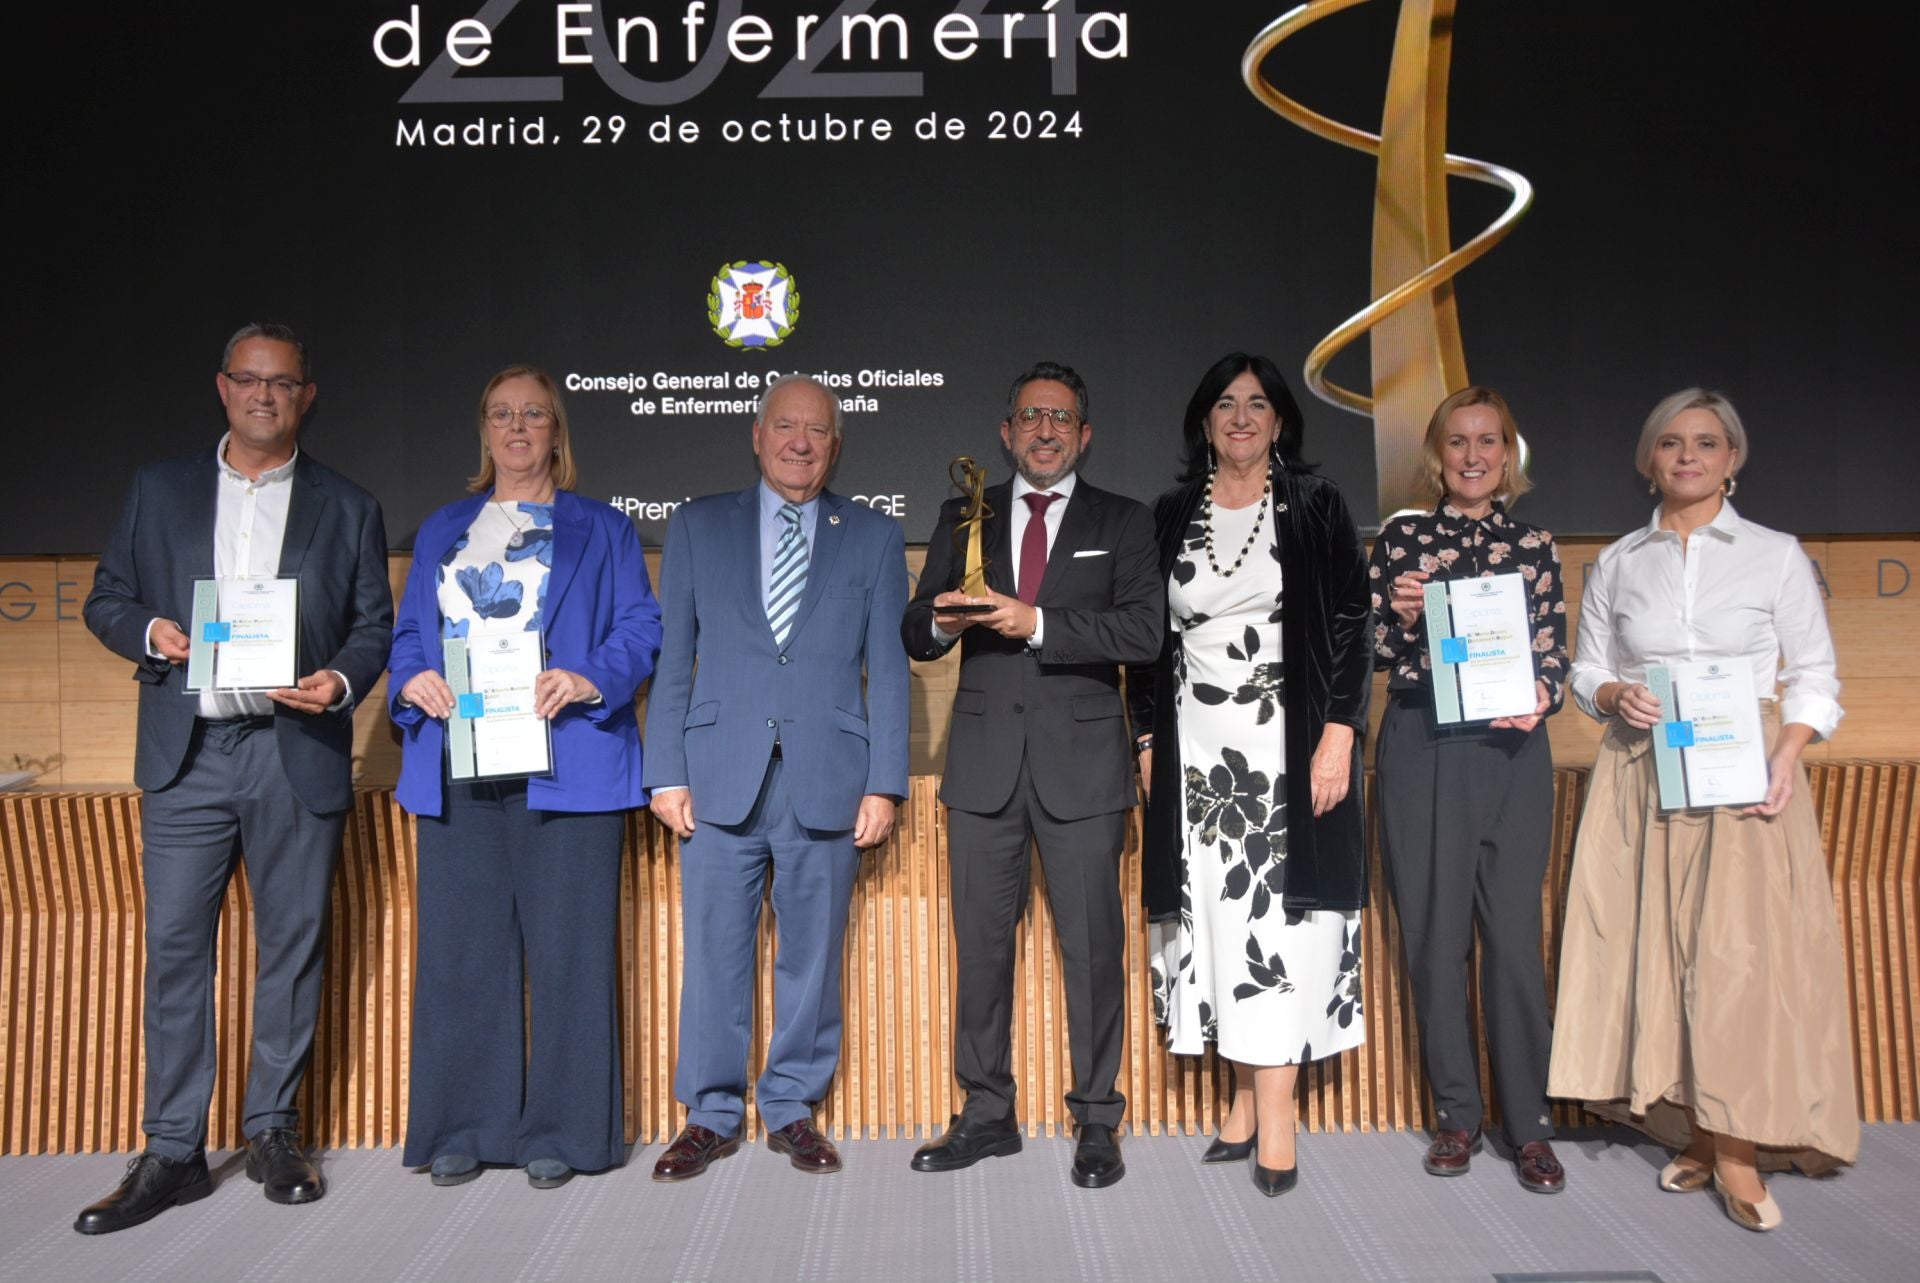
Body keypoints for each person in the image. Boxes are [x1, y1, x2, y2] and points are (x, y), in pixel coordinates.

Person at [76, 323, 392, 1233]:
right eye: (250, 381)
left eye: (282, 383)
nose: (265, 396)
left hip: (294, 748)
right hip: (189, 752)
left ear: (307, 395)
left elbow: (373, 625)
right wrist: (153, 633)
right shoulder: (159, 488)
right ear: (223, 388)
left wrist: (337, 680)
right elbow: (106, 596)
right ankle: (172, 1148)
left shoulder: (349, 504)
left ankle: (271, 1128)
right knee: (177, 949)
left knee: (291, 947)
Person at [1549, 388, 1857, 1232]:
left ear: (1734, 459)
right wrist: (1612, 690)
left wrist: (1788, 750)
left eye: (1708, 443)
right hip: (1642, 775)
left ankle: (1737, 1148)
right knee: (1662, 950)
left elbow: (1817, 674)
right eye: (1673, 443)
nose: (1689, 456)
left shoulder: (1775, 554)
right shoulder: (1620, 560)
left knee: (1735, 962)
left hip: (1744, 778)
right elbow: (1585, 672)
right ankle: (1693, 1124)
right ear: (1650, 459)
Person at [387, 365, 661, 1189]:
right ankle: (468, 1123)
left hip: (568, 762)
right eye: (502, 413)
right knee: (463, 953)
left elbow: (642, 628)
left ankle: (565, 1131)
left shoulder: (603, 528)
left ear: (556, 430)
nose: (516, 427)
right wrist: (412, 682)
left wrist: (586, 677)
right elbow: (409, 635)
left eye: (533, 413)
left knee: (570, 953)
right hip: (460, 762)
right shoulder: (443, 527)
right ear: (484, 429)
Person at [904, 360, 1162, 1190]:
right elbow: (915, 626)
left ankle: (1096, 1119)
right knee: (980, 950)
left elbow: (1143, 632)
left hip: (1083, 770)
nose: (1045, 430)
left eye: (1061, 417)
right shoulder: (963, 513)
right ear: (1007, 431)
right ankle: (986, 1113)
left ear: (1082, 435)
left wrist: (1039, 621)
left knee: (1091, 949)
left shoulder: (1123, 521)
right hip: (981, 768)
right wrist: (941, 621)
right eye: (1030, 416)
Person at [644, 374, 908, 1180]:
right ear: (757, 436)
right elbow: (673, 660)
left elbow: (890, 671)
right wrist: (664, 772)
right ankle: (713, 1111)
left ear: (836, 444)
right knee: (715, 953)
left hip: (830, 778)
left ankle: (791, 1105)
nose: (801, 442)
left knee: (812, 957)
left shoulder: (871, 535)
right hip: (718, 775)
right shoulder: (696, 526)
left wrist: (885, 781)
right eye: (786, 426)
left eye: (818, 430)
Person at [1127, 352, 1370, 1197]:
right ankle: (1240, 1104)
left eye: (1257, 403)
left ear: (1279, 421)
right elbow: (1146, 645)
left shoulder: (1316, 504)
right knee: (1223, 927)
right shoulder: (1168, 514)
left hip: (1286, 746)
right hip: (1199, 754)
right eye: (1225, 404)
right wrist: (1149, 739)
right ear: (1204, 421)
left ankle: (1277, 1120)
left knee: (1279, 930)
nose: (1240, 417)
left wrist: (1339, 732)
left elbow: (1349, 622)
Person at [1367, 386, 1568, 1193]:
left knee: (1515, 940)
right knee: (1434, 935)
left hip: (1514, 748)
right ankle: (1457, 1113)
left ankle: (1531, 1124)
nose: (1474, 455)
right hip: (1424, 741)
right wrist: (1404, 611)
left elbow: (1551, 649)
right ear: (1437, 453)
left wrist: (1542, 693)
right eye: (1458, 442)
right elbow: (1376, 649)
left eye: (1489, 441)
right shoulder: (1403, 538)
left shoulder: (1535, 542)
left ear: (1508, 453)